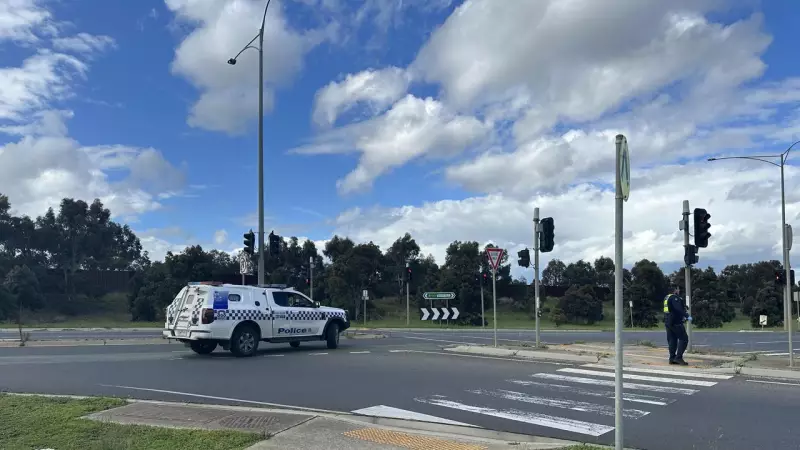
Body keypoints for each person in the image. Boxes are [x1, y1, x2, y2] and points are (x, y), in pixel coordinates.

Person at [663, 285, 692, 365]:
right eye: (678, 289)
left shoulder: (667, 297)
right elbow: (678, 309)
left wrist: (683, 306)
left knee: (672, 340)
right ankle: (678, 358)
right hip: (676, 322)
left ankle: (672, 358)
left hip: (668, 322)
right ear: (675, 290)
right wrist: (687, 316)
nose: (679, 291)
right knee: (684, 339)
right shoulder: (674, 298)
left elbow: (671, 308)